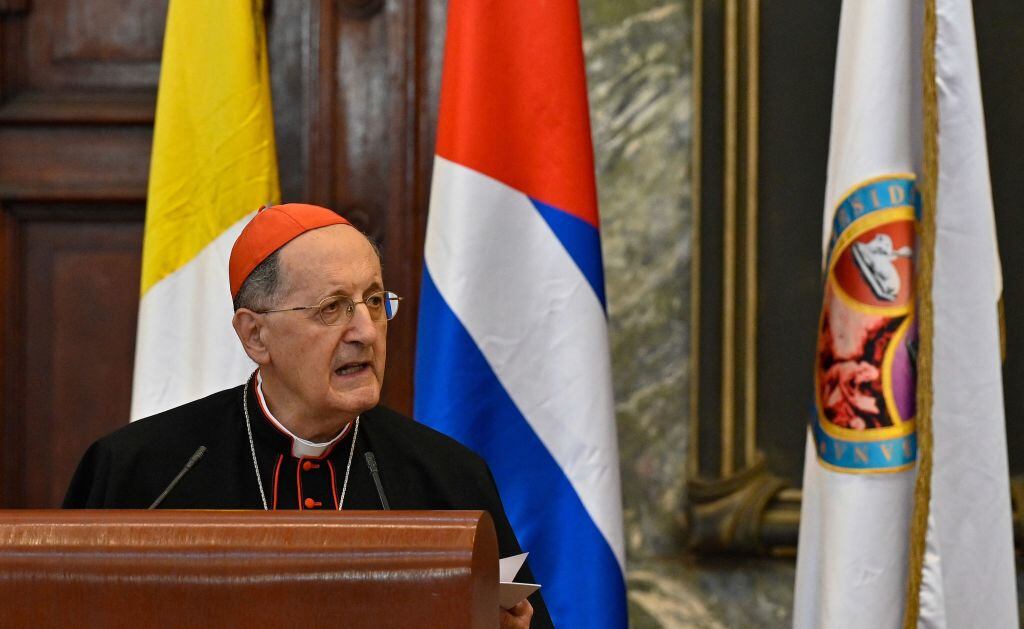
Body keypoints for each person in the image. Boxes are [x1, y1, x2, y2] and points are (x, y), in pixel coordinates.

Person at [63, 203, 551, 629]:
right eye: (332, 308)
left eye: (375, 302)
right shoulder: (143, 472)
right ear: (255, 336)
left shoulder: (449, 477)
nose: (365, 330)